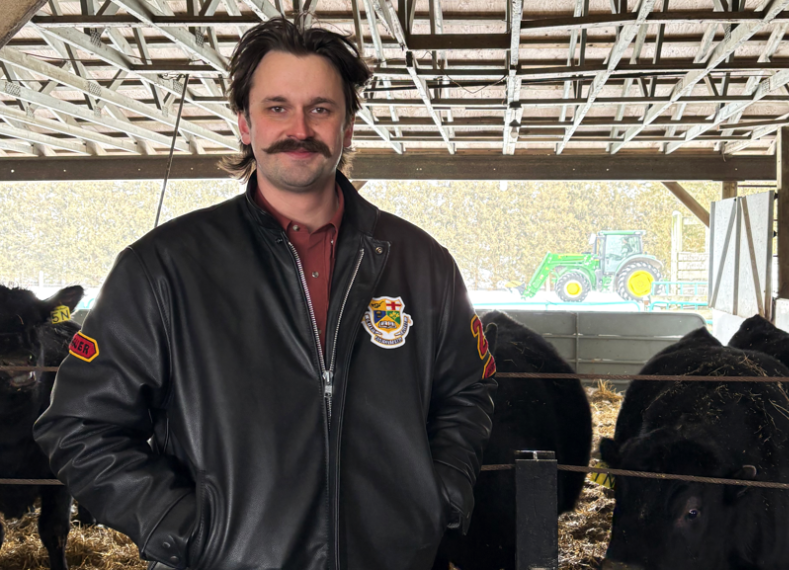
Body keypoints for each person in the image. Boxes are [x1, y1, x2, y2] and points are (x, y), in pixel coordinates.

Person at [34, 17, 497, 570]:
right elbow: (80, 424)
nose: (298, 128)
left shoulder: (421, 263)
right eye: (277, 107)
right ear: (244, 125)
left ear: (347, 128)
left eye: (321, 108)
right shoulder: (163, 267)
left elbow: (467, 389)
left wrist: (438, 496)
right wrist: (185, 529)